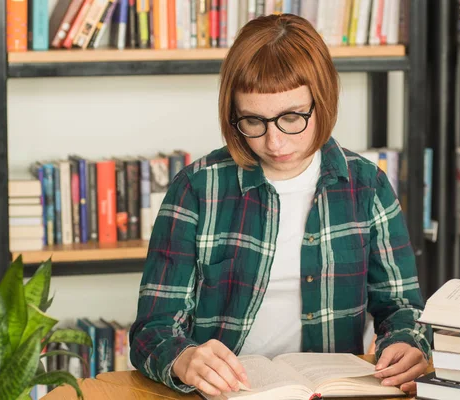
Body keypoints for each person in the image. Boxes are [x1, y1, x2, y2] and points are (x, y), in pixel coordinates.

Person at [129, 13, 432, 397]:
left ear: (322, 101)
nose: (274, 142)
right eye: (254, 121)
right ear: (233, 115)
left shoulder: (367, 185)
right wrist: (182, 358)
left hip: (334, 390)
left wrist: (406, 342)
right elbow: (152, 329)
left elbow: (401, 307)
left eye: (291, 118)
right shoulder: (196, 188)